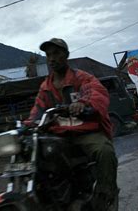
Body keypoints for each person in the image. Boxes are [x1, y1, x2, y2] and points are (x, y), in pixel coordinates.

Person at [24, 38, 118, 210]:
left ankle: (106, 197)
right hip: (59, 135)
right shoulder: (46, 87)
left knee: (104, 151)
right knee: (36, 156)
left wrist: (83, 103)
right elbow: (37, 110)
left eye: (56, 53)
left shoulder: (81, 78)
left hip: (84, 132)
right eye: (49, 55)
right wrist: (26, 125)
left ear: (66, 55)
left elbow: (97, 93)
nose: (52, 58)